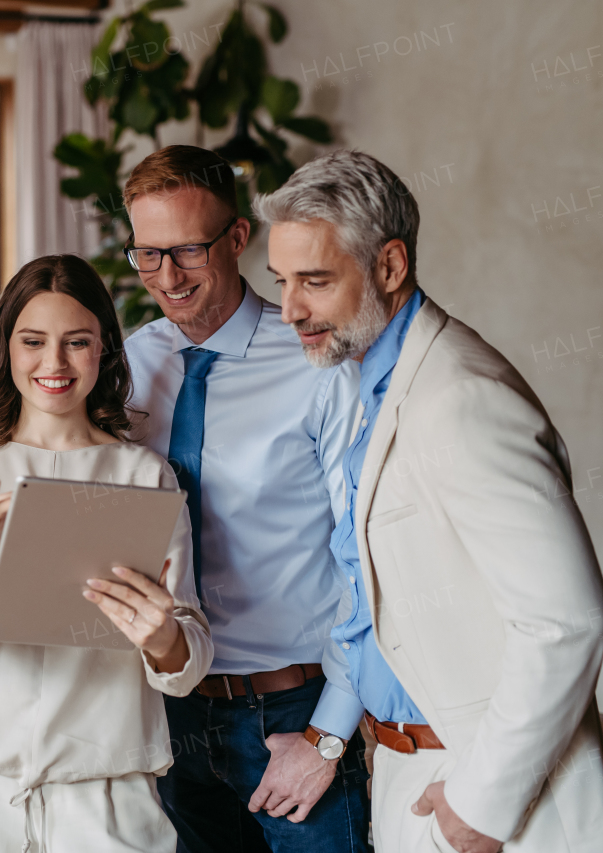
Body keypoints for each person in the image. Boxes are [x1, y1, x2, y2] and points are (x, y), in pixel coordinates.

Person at [259, 148, 603, 853]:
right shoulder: (375, 384)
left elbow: (567, 619)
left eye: (315, 281)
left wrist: (482, 804)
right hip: (400, 768)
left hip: (481, 793)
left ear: (389, 267)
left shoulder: (463, 398)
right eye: (282, 282)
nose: (290, 309)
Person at [0, 254, 213, 853]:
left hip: (108, 797)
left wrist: (164, 639)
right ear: (7, 348)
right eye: (33, 341)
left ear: (104, 349)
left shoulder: (144, 475)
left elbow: (188, 643)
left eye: (77, 342)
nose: (54, 364)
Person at [121, 145, 368, 852]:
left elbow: (367, 560)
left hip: (290, 711)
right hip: (169, 717)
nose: (168, 277)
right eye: (148, 254)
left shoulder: (316, 365)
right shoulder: (129, 367)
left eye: (190, 250)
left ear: (236, 239)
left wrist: (327, 735)